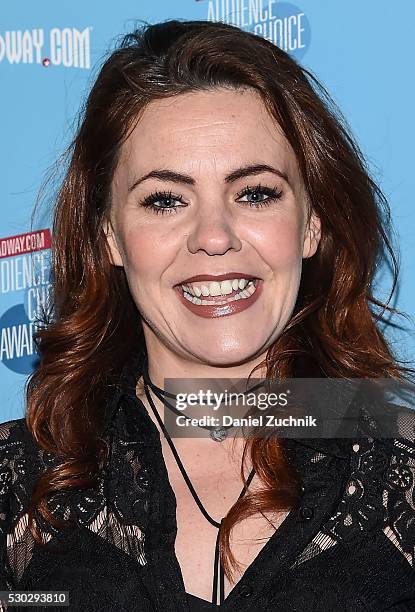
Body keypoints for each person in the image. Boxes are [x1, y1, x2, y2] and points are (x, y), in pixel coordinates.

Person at [0, 18, 414, 612]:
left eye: (255, 193)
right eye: (165, 200)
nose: (214, 237)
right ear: (111, 238)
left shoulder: (403, 474)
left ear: (312, 223)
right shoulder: (19, 488)